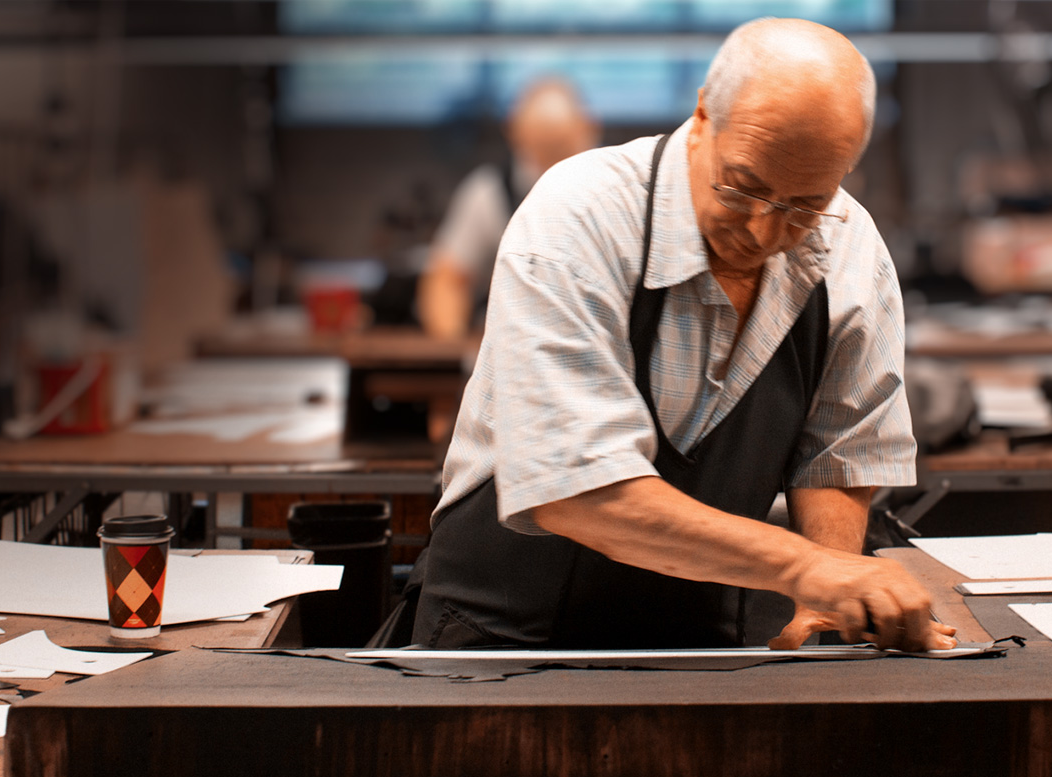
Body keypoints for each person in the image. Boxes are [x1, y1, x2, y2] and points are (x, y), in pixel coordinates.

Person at [409, 18, 957, 653]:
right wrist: (804, 567)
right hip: (505, 639)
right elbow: (575, 491)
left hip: (700, 643)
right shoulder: (579, 217)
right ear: (702, 116)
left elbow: (839, 455)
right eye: (742, 187)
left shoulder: (850, 250)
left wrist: (827, 592)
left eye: (802, 206)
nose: (761, 230)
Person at [417, 77, 599, 341]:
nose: (552, 170)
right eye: (541, 151)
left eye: (561, 148)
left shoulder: (620, 192)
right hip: (514, 351)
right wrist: (457, 350)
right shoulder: (488, 193)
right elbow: (447, 281)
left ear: (590, 129)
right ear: (514, 132)